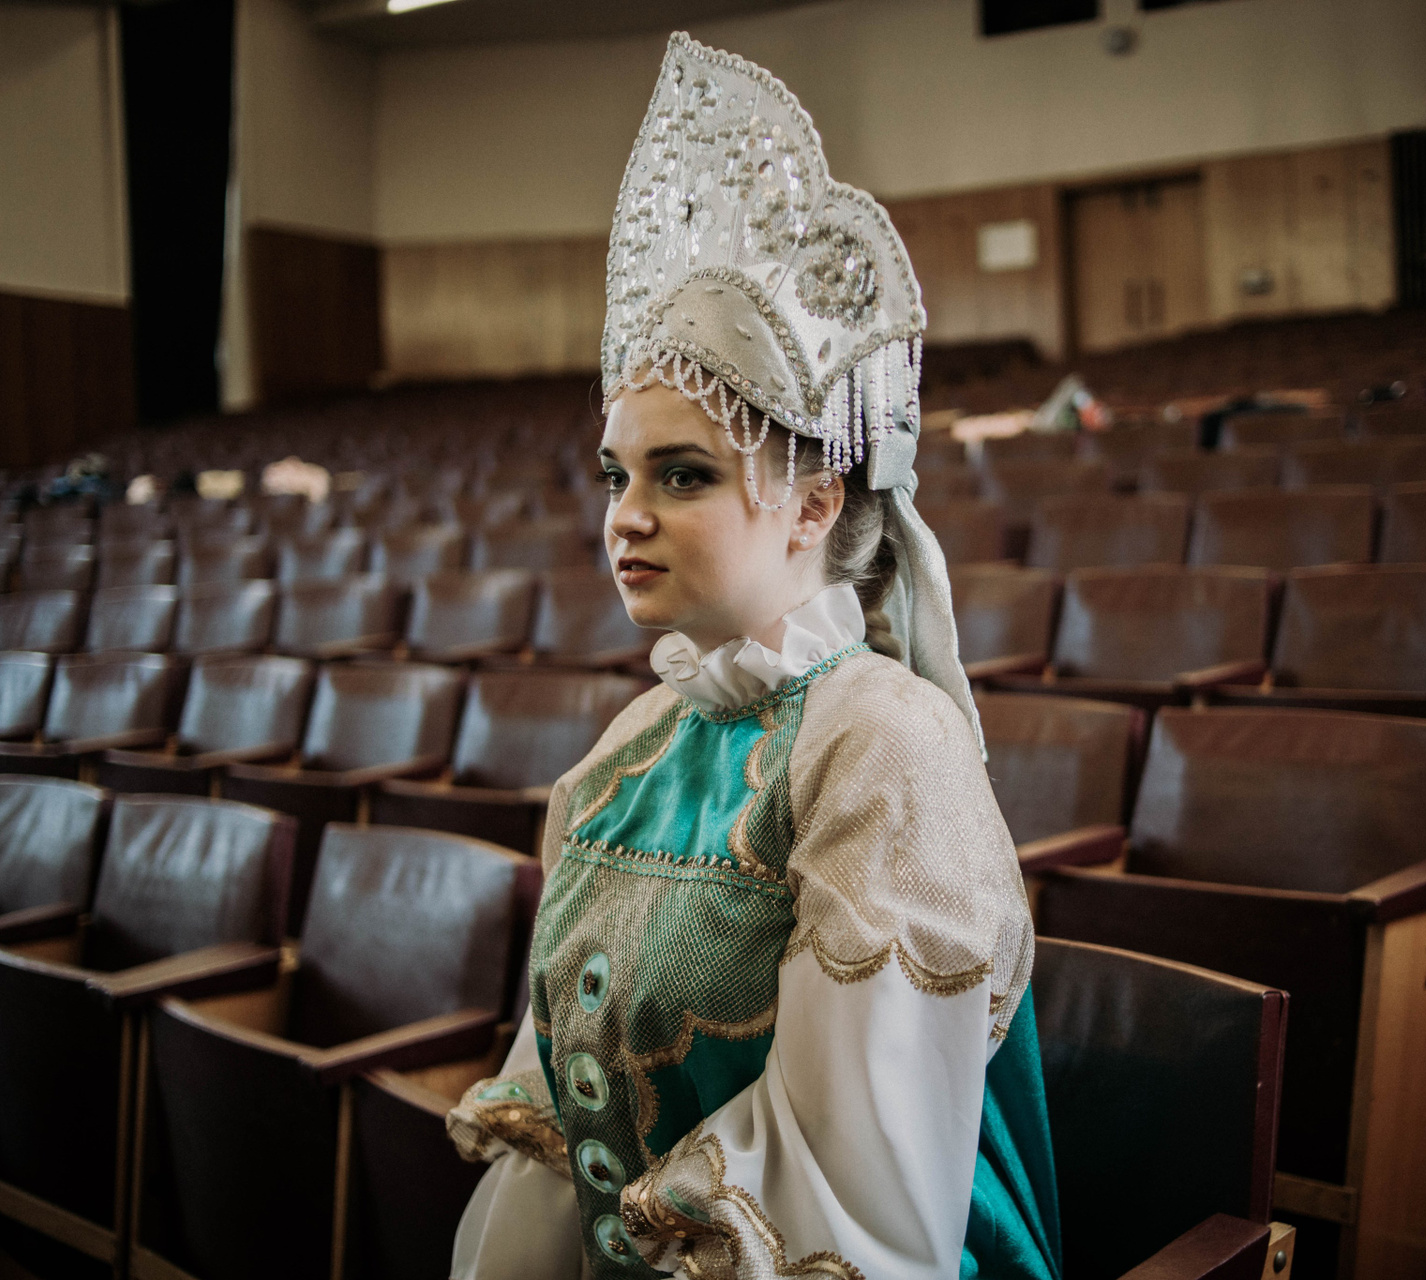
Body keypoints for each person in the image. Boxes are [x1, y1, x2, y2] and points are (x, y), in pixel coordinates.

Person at [448, 33, 1059, 1280]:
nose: (625, 516)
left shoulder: (883, 745)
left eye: (682, 475)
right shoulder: (632, 746)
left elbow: (851, 1203)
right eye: (617, 474)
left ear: (814, 501)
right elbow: (557, 1118)